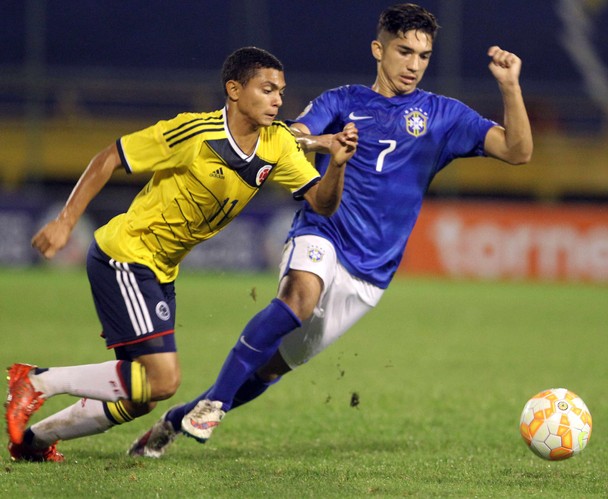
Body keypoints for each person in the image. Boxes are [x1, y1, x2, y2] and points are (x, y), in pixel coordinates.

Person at [129, 3, 532, 458]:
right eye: (404, 51)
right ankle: (216, 403)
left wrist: (511, 87)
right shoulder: (342, 102)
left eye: (423, 56)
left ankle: (179, 419)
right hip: (324, 232)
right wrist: (324, 142)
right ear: (379, 49)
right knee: (299, 298)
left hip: (370, 275)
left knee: (270, 370)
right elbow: (290, 135)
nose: (414, 65)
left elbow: (517, 152)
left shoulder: (442, 115)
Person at [5, 46, 358, 462]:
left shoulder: (277, 143)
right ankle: (36, 381)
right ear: (234, 89)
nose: (278, 99)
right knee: (163, 380)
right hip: (126, 255)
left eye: (281, 91)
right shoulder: (193, 133)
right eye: (267, 89)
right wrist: (66, 221)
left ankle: (32, 443)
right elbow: (109, 158)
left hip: (161, 271)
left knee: (140, 395)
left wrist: (336, 163)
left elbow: (321, 202)